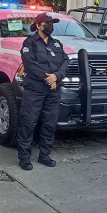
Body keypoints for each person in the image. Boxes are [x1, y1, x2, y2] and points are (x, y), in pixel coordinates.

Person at [17, 12, 69, 170]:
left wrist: (56, 77)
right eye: (47, 24)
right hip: (35, 90)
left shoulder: (57, 44)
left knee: (50, 124)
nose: (50, 26)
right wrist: (48, 79)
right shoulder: (29, 43)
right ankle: (24, 158)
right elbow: (30, 65)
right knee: (28, 123)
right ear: (38, 25)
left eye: (52, 24)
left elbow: (65, 61)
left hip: (53, 91)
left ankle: (44, 155)